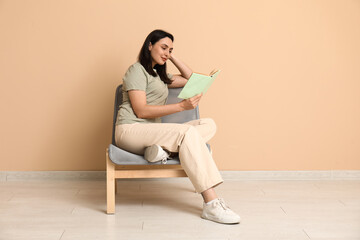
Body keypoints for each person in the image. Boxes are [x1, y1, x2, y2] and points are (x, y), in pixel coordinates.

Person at [115, 29, 240, 224]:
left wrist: (171, 57)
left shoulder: (160, 76)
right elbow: (141, 112)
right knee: (188, 133)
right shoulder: (136, 70)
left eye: (171, 49)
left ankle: (162, 152)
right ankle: (211, 203)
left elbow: (194, 81)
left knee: (209, 124)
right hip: (130, 130)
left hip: (152, 134)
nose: (167, 52)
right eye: (163, 48)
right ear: (150, 45)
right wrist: (182, 106)